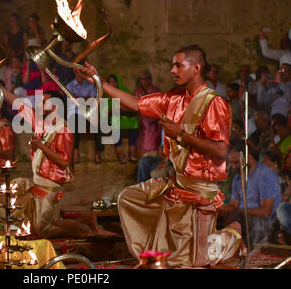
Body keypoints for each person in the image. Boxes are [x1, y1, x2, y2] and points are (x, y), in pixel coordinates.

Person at [76, 45, 244, 267]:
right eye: (172, 65)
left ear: (196, 68)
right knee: (129, 198)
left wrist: (182, 135)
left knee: (194, 262)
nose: (172, 71)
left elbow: (221, 150)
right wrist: (100, 82)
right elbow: (137, 104)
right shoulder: (172, 98)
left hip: (200, 190)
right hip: (176, 184)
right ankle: (156, 254)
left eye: (178, 65)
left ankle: (233, 234)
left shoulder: (215, 103)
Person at [0, 81, 117, 238]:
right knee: (1, 196)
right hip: (35, 183)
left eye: (45, 101)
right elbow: (18, 103)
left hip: (49, 187)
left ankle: (85, 227)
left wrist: (41, 146)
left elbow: (64, 162)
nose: (40, 104)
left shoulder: (63, 129)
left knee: (43, 229)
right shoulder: (40, 123)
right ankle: (13, 232)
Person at [220, 145, 282, 246]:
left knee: (236, 217)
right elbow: (233, 204)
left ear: (247, 158)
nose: (233, 166)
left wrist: (237, 211)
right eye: (231, 163)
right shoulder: (238, 177)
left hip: (264, 223)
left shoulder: (265, 175)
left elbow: (266, 212)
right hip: (243, 219)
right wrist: (220, 209)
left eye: (236, 162)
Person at [66, 68, 103, 163]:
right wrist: (85, 99)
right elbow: (73, 101)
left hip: (88, 112)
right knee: (76, 123)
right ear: (75, 72)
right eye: (80, 71)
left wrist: (79, 98)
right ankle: (75, 151)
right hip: (75, 113)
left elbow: (93, 100)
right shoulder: (69, 86)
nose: (82, 73)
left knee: (98, 123)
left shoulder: (90, 85)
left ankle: (98, 151)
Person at [106, 74, 139, 163]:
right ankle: (119, 151)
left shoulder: (124, 91)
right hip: (114, 117)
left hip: (126, 116)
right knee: (115, 123)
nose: (112, 84)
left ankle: (132, 151)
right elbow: (105, 110)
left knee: (135, 122)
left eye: (114, 81)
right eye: (110, 82)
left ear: (118, 82)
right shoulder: (106, 94)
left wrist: (122, 107)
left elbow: (132, 104)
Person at [134, 70, 162, 158]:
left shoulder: (156, 90)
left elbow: (160, 105)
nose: (144, 81)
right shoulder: (138, 91)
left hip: (154, 119)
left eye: (146, 78)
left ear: (150, 79)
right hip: (142, 118)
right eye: (142, 79)